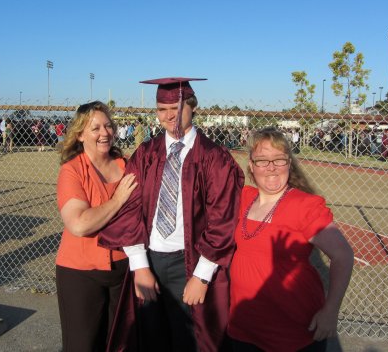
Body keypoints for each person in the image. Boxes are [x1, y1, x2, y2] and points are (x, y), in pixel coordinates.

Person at [99, 77, 245, 351]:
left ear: (191, 107)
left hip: (189, 263)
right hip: (150, 260)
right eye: (161, 109)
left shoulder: (214, 157)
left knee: (188, 341)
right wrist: (140, 265)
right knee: (151, 339)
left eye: (175, 108)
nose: (169, 115)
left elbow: (222, 217)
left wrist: (202, 276)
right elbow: (129, 209)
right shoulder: (146, 153)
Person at [228, 128, 354, 352]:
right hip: (244, 327)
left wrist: (331, 311)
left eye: (279, 159)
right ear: (251, 165)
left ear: (289, 163)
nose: (271, 167)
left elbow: (342, 255)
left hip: (291, 332)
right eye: (262, 160)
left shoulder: (304, 205)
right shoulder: (244, 197)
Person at [55, 101, 138, 352]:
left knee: (120, 342)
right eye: (95, 128)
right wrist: (117, 200)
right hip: (81, 272)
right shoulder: (72, 171)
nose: (105, 133)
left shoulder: (126, 165)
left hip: (124, 268)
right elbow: (79, 224)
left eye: (108, 126)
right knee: (83, 345)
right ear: (80, 134)